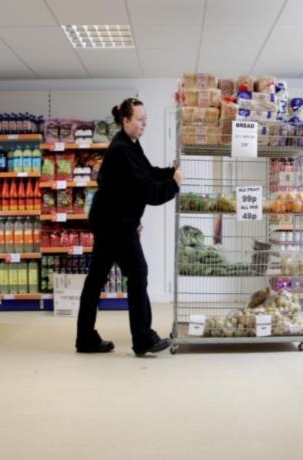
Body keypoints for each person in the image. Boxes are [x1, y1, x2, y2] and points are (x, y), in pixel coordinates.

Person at [76, 97, 183, 356]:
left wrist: (169, 172)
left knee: (97, 279)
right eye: (139, 119)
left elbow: (147, 172)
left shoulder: (130, 144)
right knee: (138, 274)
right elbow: (149, 192)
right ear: (125, 120)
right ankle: (142, 339)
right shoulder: (121, 150)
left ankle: (86, 338)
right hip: (115, 224)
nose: (144, 124)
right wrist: (174, 185)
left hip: (110, 220)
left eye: (146, 119)